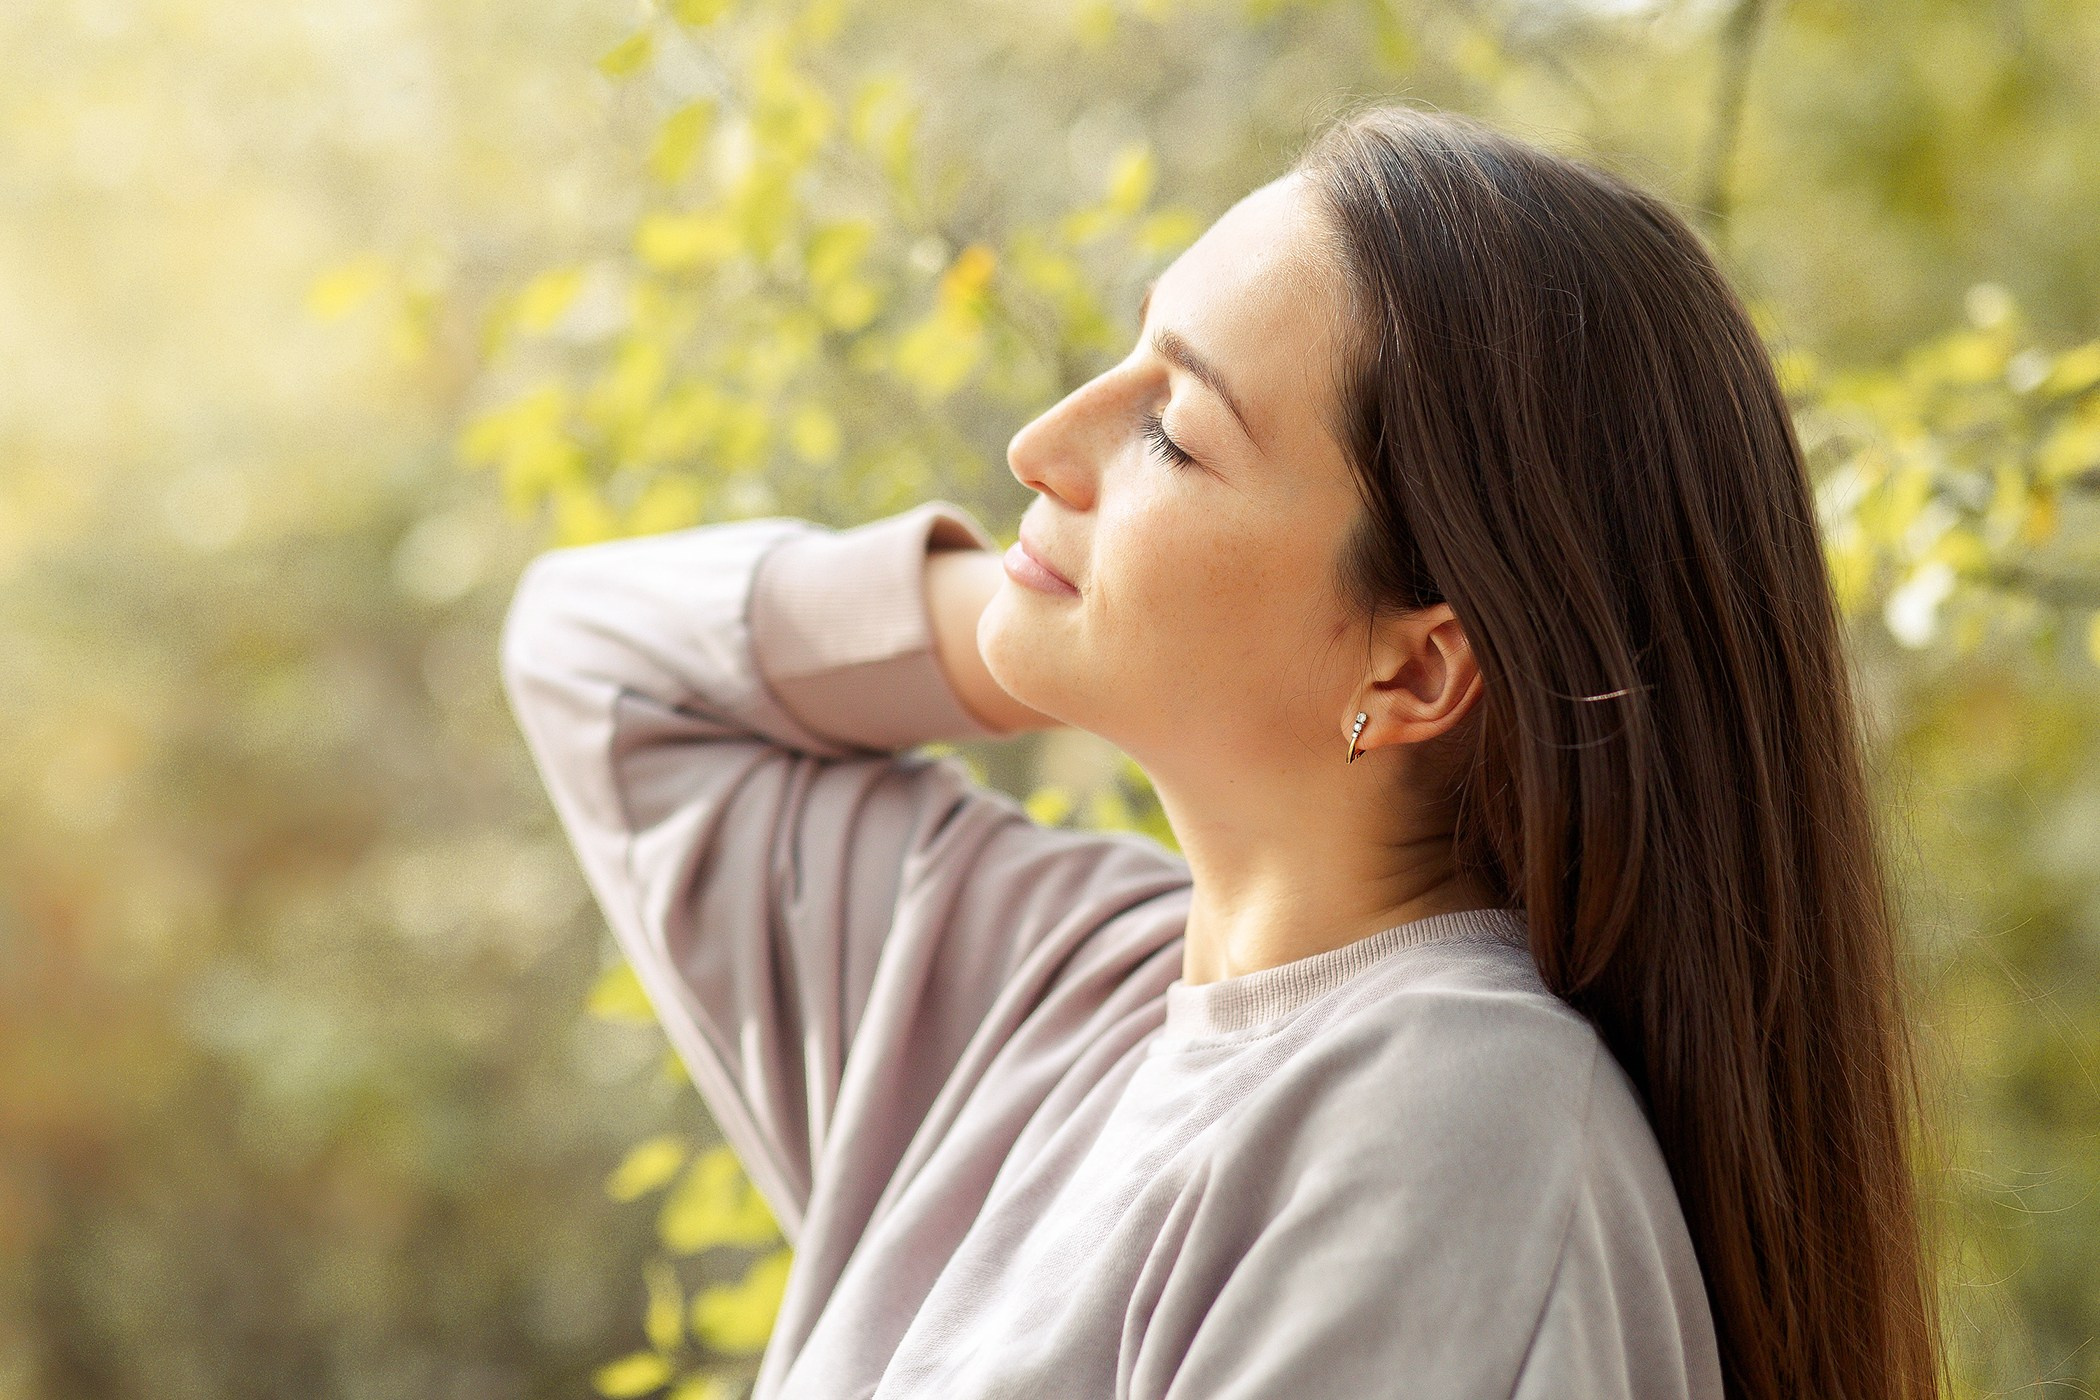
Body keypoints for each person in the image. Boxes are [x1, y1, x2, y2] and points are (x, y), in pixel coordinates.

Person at [500, 103, 1944, 1399]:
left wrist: (1088, 619)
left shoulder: (1458, 1123)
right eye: (1118, 362)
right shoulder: (1052, 990)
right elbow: (602, 659)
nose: (1039, 444)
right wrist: (1037, 623)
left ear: (1420, 662)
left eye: (1173, 435)